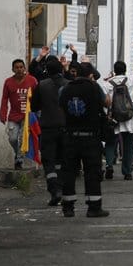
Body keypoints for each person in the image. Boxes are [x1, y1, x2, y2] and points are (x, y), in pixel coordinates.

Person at [58, 62, 110, 217]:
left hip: (70, 136)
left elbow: (61, 106)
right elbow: (107, 102)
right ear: (90, 75)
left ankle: (68, 207)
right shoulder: (94, 87)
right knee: (92, 172)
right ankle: (94, 207)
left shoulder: (65, 89)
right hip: (90, 137)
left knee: (68, 173)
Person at [103, 41, 133, 180]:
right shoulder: (130, 80)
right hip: (129, 115)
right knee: (128, 145)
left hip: (114, 116)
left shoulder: (107, 84)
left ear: (115, 70)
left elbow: (104, 101)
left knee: (111, 142)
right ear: (125, 69)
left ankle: (109, 166)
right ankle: (127, 171)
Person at [31, 59, 69, 206]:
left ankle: (54, 190)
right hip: (64, 127)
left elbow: (34, 106)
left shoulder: (42, 85)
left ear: (47, 70)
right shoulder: (68, 85)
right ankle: (60, 187)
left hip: (47, 127)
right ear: (61, 69)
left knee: (49, 160)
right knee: (61, 160)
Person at [0, 59, 38, 169]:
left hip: (27, 116)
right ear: (13, 69)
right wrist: (3, 114)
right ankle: (18, 154)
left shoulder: (32, 80)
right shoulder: (8, 82)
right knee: (12, 138)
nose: (19, 69)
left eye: (21, 67)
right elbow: (4, 99)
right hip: (13, 116)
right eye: (17, 67)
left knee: (22, 138)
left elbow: (38, 97)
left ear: (24, 68)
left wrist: (37, 114)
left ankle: (19, 161)